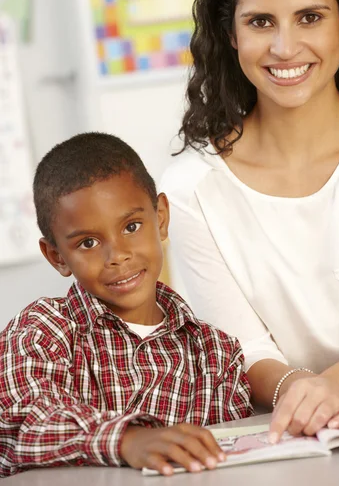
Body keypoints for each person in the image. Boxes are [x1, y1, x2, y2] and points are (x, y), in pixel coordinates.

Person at [160, 0, 339, 445]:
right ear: (230, 34)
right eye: (260, 21)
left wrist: (334, 389)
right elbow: (244, 351)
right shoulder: (188, 192)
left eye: (309, 17)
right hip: (284, 445)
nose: (284, 47)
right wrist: (301, 391)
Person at [0, 133, 253, 478]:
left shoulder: (216, 356)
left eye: (131, 227)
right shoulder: (42, 330)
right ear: (57, 256)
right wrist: (127, 441)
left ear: (161, 218)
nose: (117, 255)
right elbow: (21, 424)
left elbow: (231, 464)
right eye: (88, 242)